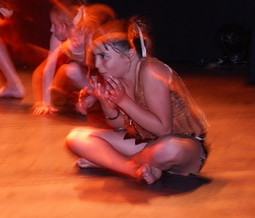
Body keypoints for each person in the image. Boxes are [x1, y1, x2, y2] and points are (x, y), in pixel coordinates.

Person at [65, 18, 209, 184]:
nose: (97, 64)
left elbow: (164, 130)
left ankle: (111, 163)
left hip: (183, 145)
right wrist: (107, 105)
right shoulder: (116, 76)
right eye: (95, 57)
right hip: (148, 143)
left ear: (130, 55)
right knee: (76, 137)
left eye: (103, 56)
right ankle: (134, 170)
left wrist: (124, 101)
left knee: (168, 149)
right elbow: (123, 126)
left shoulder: (151, 71)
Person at [31, 1, 115, 115]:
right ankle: (86, 98)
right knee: (71, 70)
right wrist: (45, 102)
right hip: (85, 79)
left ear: (65, 26)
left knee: (82, 73)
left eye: (54, 25)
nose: (51, 29)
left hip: (100, 78)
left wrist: (93, 96)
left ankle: (96, 99)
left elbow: (104, 72)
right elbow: (47, 69)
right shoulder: (58, 38)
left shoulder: (88, 36)